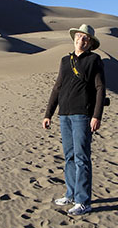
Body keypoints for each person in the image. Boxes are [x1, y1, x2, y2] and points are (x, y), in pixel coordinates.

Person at [42, 24, 106, 216]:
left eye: (86, 38)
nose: (82, 40)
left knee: (82, 158)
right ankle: (70, 194)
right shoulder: (65, 61)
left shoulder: (95, 60)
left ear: (90, 43)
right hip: (65, 115)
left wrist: (96, 115)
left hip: (82, 115)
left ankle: (83, 201)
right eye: (79, 36)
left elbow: (100, 89)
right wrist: (48, 114)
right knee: (69, 157)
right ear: (74, 38)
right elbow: (57, 88)